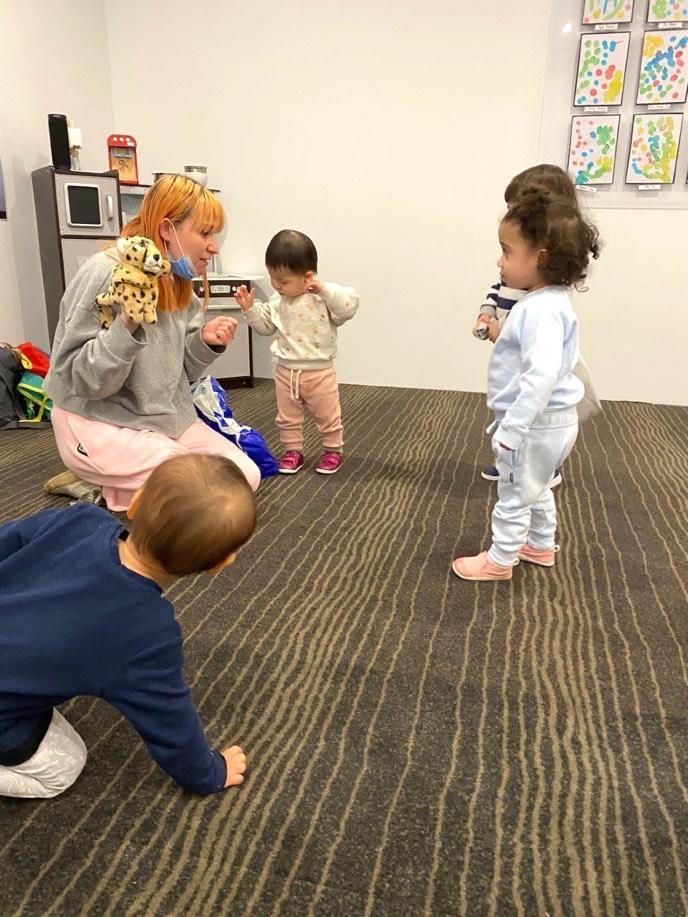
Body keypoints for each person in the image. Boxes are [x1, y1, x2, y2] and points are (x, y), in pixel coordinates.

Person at [0, 453, 255, 798]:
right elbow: (169, 720)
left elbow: (7, 539)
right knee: (64, 766)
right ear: (219, 564)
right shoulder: (147, 635)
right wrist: (208, 773)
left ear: (134, 503)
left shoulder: (80, 518)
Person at [43, 174, 260, 511]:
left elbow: (179, 374)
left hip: (160, 422)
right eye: (204, 233)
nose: (214, 247)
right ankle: (96, 475)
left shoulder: (179, 282)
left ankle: (110, 483)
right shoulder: (105, 272)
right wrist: (127, 326)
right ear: (166, 229)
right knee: (191, 487)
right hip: (97, 420)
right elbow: (80, 381)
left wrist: (204, 342)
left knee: (243, 476)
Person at [453, 185, 600, 582]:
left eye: (507, 252)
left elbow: (541, 375)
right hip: (551, 422)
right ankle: (539, 544)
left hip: (535, 426)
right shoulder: (551, 300)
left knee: (515, 492)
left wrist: (513, 429)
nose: (499, 261)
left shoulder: (539, 312)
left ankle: (500, 560)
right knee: (536, 486)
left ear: (541, 258)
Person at [471, 164, 590, 488]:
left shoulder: (542, 303)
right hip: (514, 349)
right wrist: (487, 314)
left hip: (530, 355)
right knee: (511, 396)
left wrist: (502, 332)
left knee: (534, 404)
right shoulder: (520, 273)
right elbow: (497, 291)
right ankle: (516, 460)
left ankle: (539, 466)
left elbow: (540, 368)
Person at [234, 230, 359, 475]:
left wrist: (323, 289)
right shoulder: (277, 300)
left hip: (319, 372)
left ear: (308, 277)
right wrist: (250, 310)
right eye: (273, 279)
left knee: (328, 415)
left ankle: (333, 450)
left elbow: (348, 307)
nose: (277, 286)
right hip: (285, 371)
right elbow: (266, 328)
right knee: (287, 417)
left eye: (283, 281)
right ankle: (293, 450)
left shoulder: (321, 298)